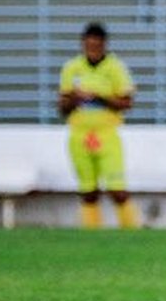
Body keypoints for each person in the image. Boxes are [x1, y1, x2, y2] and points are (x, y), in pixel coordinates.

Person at [57, 22, 140, 229]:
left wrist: (100, 98)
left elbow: (127, 102)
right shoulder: (72, 68)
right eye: (88, 45)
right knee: (88, 191)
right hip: (79, 134)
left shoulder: (115, 68)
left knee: (116, 189)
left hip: (106, 134)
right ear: (83, 44)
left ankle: (132, 231)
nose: (92, 50)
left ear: (104, 45)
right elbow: (62, 107)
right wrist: (75, 99)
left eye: (96, 45)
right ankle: (91, 235)